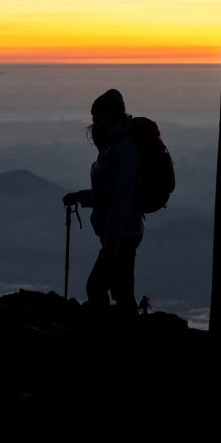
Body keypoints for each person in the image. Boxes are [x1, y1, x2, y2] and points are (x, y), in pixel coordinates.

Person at [62, 89, 144, 318]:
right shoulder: (111, 146)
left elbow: (122, 198)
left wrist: (112, 242)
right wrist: (81, 196)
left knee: (97, 286)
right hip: (122, 231)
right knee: (121, 289)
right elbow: (109, 193)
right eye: (94, 115)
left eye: (101, 114)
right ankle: (122, 338)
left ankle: (108, 341)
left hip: (122, 232)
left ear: (114, 115)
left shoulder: (123, 149)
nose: (96, 120)